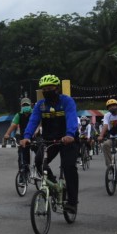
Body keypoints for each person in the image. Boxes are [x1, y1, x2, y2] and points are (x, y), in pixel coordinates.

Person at [20, 74, 79, 213]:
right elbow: (33, 121)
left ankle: (72, 201)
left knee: (68, 166)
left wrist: (70, 134)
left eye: (50, 88)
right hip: (49, 139)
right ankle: (53, 185)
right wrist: (27, 137)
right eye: (44, 89)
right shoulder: (40, 105)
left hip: (67, 139)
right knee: (39, 161)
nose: (47, 91)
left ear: (57, 88)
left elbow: (72, 118)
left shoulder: (67, 101)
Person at [3, 98, 33, 171]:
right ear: (21, 106)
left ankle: (41, 170)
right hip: (23, 137)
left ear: (31, 105)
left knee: (40, 153)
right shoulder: (18, 115)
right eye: (24, 105)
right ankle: (22, 173)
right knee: (22, 154)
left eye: (27, 105)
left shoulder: (34, 114)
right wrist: (7, 134)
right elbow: (13, 125)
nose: (25, 106)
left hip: (34, 137)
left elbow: (39, 123)